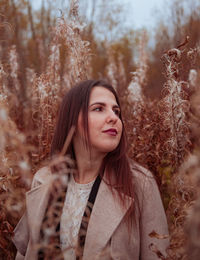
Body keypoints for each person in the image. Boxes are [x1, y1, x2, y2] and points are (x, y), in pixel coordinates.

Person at [13, 79, 169, 260]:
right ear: (72, 120)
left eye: (116, 111)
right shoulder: (44, 179)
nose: (113, 118)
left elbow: (156, 254)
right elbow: (24, 252)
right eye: (98, 108)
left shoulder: (140, 183)